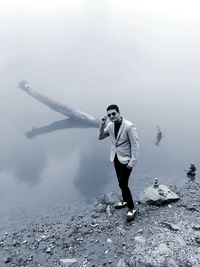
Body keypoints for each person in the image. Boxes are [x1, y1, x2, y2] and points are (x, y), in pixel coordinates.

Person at [98, 104, 139, 221]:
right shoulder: (110, 126)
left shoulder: (129, 126)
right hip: (116, 157)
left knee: (123, 184)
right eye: (109, 115)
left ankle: (132, 208)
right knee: (120, 183)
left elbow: (135, 146)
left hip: (127, 160)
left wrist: (132, 162)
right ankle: (125, 201)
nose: (111, 116)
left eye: (113, 114)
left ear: (119, 113)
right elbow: (100, 137)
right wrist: (102, 124)